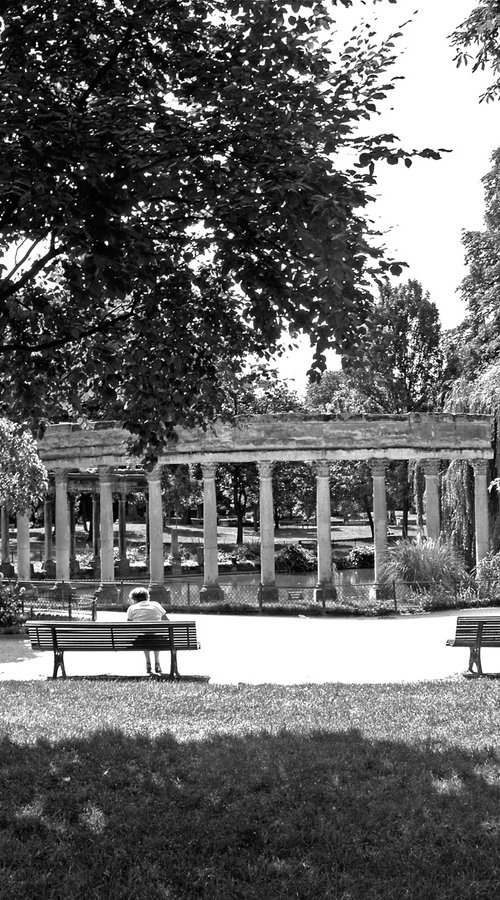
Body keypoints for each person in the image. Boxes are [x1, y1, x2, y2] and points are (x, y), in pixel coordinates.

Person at [126, 586, 168, 675]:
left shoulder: (131, 608)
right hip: (159, 640)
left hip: (141, 641)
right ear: (147, 596)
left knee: (144, 636)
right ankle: (157, 662)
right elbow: (167, 621)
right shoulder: (156, 604)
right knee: (156, 635)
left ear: (133, 599)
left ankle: (148, 662)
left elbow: (129, 625)